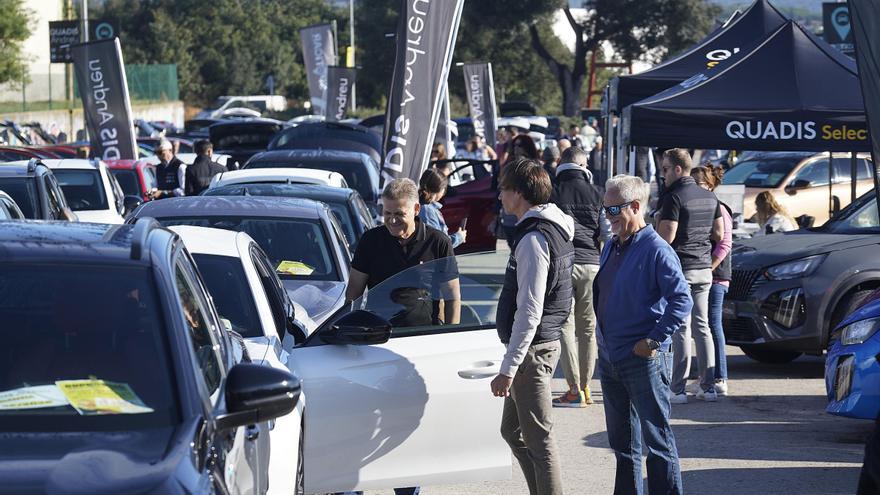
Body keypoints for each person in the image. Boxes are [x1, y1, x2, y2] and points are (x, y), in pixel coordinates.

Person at [345, 178, 460, 495]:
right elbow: (353, 294)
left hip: (420, 348)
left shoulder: (437, 242)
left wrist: (452, 340)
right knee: (364, 423)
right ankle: (355, 484)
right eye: (387, 214)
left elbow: (452, 297)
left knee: (406, 426)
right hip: (376, 347)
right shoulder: (371, 241)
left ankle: (407, 488)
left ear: (417, 210)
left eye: (399, 214)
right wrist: (347, 334)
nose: (393, 221)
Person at [595, 174, 691, 495]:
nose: (607, 218)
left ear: (635, 207)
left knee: (657, 443)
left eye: (612, 210)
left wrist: (654, 340)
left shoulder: (657, 250)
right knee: (623, 447)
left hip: (643, 360)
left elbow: (682, 300)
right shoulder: (612, 245)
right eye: (604, 210)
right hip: (612, 358)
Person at [492, 158, 573, 495]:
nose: (499, 196)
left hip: (533, 353)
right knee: (512, 432)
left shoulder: (533, 239)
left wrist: (509, 368)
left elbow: (529, 310)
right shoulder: (549, 227)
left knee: (541, 444)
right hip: (535, 348)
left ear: (520, 194)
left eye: (504, 190)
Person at [656, 148, 724, 404]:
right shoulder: (708, 197)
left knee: (681, 330)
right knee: (702, 327)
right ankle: (709, 387)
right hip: (704, 268)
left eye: (664, 169)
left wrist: (657, 223)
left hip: (681, 268)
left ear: (677, 169)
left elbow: (667, 237)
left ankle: (678, 389)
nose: (662, 175)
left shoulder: (674, 197)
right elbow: (719, 232)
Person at [550, 146, 605, 408]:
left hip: (564, 264)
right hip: (592, 265)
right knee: (588, 330)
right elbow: (607, 231)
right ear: (585, 167)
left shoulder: (553, 191)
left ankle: (573, 390)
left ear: (561, 164)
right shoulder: (598, 192)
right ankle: (586, 387)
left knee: (565, 326)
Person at [691, 165, 732, 396]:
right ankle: (706, 376)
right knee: (701, 326)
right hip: (706, 273)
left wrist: (709, 268)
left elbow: (725, 244)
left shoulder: (719, 208)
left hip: (715, 276)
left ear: (710, 185)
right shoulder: (703, 206)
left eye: (700, 184)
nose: (695, 188)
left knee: (712, 324)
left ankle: (719, 377)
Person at [418, 168, 467, 249]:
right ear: (440, 189)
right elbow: (438, 244)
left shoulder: (426, 208)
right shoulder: (427, 210)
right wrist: (459, 237)